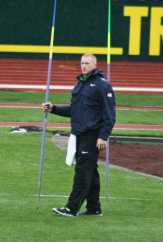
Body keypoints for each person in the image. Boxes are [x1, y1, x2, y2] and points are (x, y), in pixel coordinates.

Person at [43, 54, 116, 217]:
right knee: (91, 170)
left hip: (92, 134)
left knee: (83, 171)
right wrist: (53, 108)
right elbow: (74, 110)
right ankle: (94, 208)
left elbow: (110, 115)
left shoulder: (102, 86)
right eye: (82, 63)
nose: (84, 66)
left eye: (87, 63)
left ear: (95, 64)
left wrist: (103, 136)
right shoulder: (80, 83)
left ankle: (71, 208)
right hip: (79, 133)